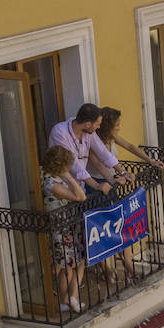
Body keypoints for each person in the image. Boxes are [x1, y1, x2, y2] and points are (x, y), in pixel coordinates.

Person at [40, 145, 89, 313]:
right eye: (67, 164)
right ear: (61, 165)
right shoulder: (51, 184)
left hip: (67, 228)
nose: (69, 167)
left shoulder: (52, 180)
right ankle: (71, 298)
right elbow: (80, 196)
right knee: (70, 265)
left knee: (74, 264)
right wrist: (68, 176)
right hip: (60, 231)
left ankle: (67, 299)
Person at [50, 103, 113, 195]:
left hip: (80, 188)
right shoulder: (60, 132)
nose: (98, 127)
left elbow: (102, 150)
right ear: (87, 124)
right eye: (97, 124)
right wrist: (97, 186)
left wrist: (122, 172)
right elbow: (73, 164)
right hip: (62, 189)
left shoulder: (88, 132)